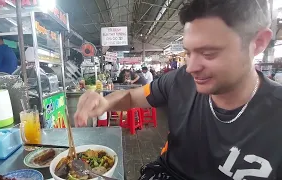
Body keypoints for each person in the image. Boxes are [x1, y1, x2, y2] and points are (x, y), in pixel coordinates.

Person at [74, 0, 282, 179]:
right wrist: (105, 101)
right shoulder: (179, 80)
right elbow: (130, 96)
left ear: (258, 42)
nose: (191, 68)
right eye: (189, 52)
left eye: (208, 53)